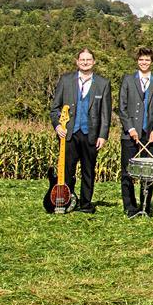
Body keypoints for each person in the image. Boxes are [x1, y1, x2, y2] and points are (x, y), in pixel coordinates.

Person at [49, 48, 112, 214]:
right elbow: (54, 108)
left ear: (94, 62)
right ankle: (67, 201)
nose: (85, 62)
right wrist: (57, 126)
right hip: (69, 134)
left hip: (91, 134)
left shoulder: (103, 83)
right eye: (82, 60)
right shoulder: (66, 80)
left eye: (89, 60)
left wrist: (103, 135)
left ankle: (85, 204)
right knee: (67, 170)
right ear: (77, 62)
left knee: (88, 171)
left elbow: (106, 113)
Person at [118, 47, 153, 217]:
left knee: (148, 171)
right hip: (130, 133)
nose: (144, 63)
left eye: (147, 60)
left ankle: (145, 206)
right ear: (137, 61)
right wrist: (130, 128)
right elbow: (122, 107)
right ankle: (130, 207)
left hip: (149, 134)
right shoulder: (128, 80)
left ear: (151, 62)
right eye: (141, 60)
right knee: (127, 171)